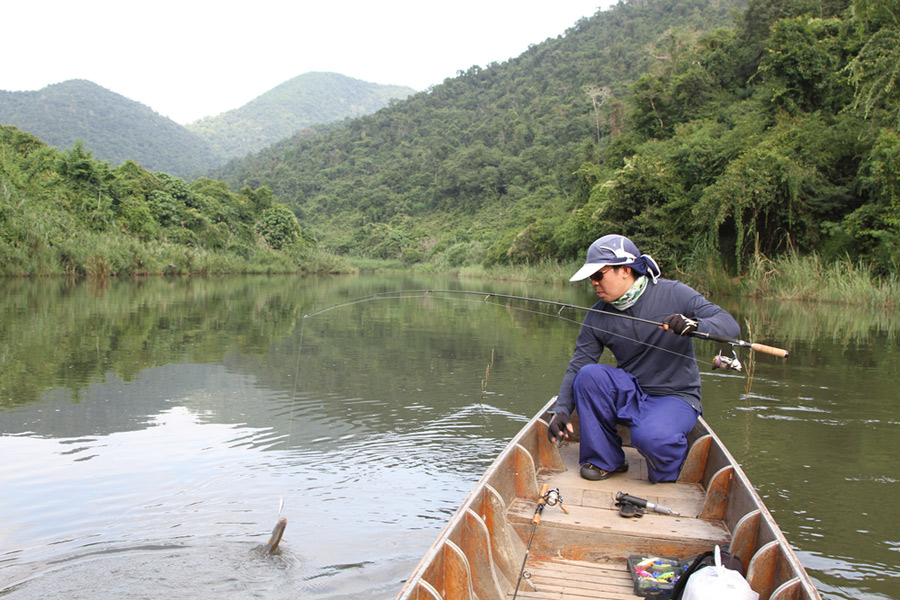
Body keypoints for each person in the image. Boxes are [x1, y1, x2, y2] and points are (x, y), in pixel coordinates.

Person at [548, 234, 740, 483]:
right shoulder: (597, 316)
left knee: (651, 436)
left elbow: (730, 326)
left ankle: (670, 470)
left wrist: (694, 324)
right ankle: (606, 460)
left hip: (676, 397)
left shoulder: (675, 293)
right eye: (590, 278)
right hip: (633, 393)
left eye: (599, 275)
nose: (593, 283)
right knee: (588, 375)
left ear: (625, 270)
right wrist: (561, 410)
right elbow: (578, 364)